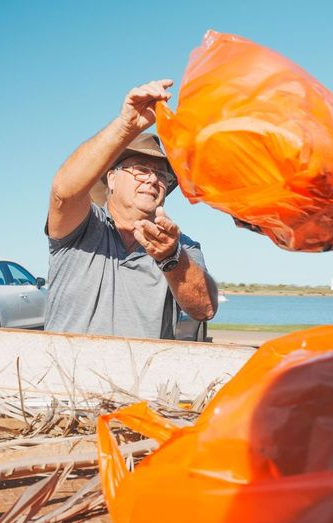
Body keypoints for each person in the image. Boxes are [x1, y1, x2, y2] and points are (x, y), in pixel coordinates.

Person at [45, 79, 218, 339]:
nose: (153, 179)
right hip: (66, 376)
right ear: (112, 179)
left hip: (142, 378)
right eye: (141, 170)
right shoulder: (83, 226)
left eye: (162, 175)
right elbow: (63, 193)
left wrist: (171, 258)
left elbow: (204, 309)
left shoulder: (181, 246)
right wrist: (125, 125)